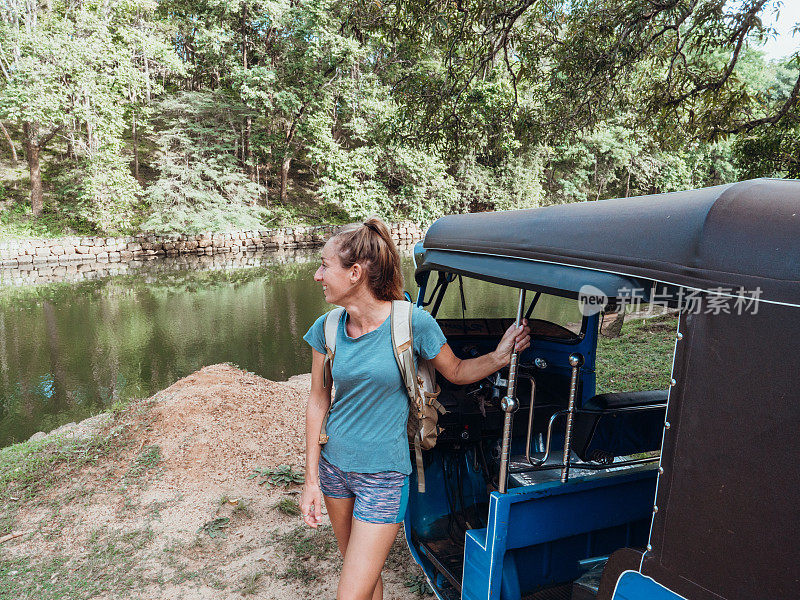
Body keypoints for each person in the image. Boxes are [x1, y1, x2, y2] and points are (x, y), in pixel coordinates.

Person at [300, 217, 531, 600]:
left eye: (325, 265)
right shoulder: (326, 328)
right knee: (365, 579)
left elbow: (455, 371)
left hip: (384, 477)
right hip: (334, 469)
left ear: (355, 273)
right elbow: (317, 400)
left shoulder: (413, 324)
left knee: (350, 593)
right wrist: (311, 479)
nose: (317, 275)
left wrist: (499, 356)